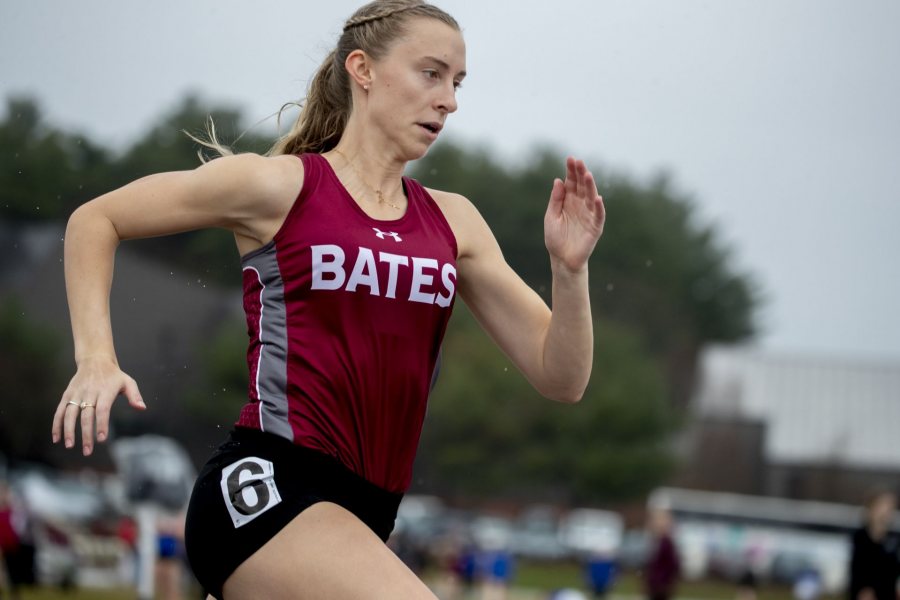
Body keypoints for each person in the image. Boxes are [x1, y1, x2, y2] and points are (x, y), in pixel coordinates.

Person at [50, 1, 605, 598]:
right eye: (431, 73)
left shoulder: (454, 221)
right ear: (362, 69)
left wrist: (569, 271)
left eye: (457, 82)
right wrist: (96, 359)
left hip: (367, 512)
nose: (449, 100)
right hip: (267, 486)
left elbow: (561, 377)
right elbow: (95, 220)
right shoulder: (278, 186)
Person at [848, 489, 900, 600]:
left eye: (890, 507)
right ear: (872, 508)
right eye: (883, 506)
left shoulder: (894, 539)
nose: (886, 511)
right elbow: (857, 568)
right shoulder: (860, 537)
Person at [642, 508, 680, 600]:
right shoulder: (656, 542)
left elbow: (673, 564)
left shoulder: (666, 543)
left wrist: (664, 581)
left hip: (661, 585)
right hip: (655, 584)